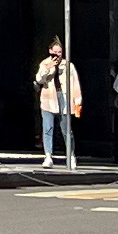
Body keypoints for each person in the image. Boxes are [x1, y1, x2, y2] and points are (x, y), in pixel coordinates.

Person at [34, 37, 83, 168]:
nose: (57, 55)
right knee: (48, 128)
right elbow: (39, 79)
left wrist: (77, 101)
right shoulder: (44, 64)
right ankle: (48, 156)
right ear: (50, 51)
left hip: (64, 97)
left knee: (66, 129)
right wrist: (48, 68)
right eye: (54, 52)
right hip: (48, 99)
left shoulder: (68, 65)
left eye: (59, 52)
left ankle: (71, 155)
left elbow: (75, 84)